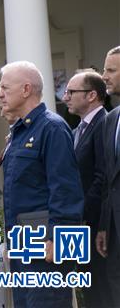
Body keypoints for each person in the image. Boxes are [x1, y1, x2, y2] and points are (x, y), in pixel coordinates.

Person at [0, 61, 83, 308]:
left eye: (5, 87)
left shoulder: (52, 128)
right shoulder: (20, 131)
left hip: (46, 247)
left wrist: (58, 239)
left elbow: (65, 189)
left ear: (26, 90)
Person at [64, 70, 111, 307]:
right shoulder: (77, 130)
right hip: (82, 223)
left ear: (91, 95)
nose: (65, 97)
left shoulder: (105, 123)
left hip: (96, 224)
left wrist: (81, 213)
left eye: (71, 92)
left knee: (101, 291)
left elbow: (103, 177)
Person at [97, 46, 120, 304]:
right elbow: (107, 178)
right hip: (114, 231)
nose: (104, 76)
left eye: (111, 70)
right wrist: (104, 225)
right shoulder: (111, 119)